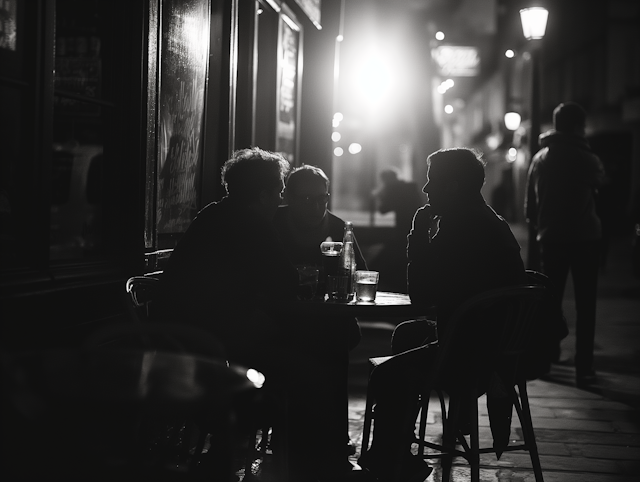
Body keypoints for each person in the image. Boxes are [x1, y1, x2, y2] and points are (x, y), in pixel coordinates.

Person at [152, 148, 356, 481]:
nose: (280, 198)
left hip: (183, 336)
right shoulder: (253, 224)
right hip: (215, 343)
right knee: (309, 364)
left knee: (301, 350)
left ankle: (254, 446)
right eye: (278, 190)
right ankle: (304, 457)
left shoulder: (213, 213)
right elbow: (285, 282)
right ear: (263, 194)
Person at [358, 148, 527, 482]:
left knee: (385, 375)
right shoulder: (485, 220)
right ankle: (398, 447)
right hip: (493, 345)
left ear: (452, 186)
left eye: (431, 180)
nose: (425, 189)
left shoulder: (463, 230)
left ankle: (390, 462)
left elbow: (422, 296)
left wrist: (419, 233)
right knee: (407, 334)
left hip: (473, 354)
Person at [525, 101, 605, 387]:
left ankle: (547, 358)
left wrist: (543, 227)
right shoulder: (588, 159)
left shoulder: (540, 159)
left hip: (552, 238)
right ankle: (584, 366)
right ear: (576, 127)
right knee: (586, 304)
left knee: (550, 301)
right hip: (586, 238)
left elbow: (530, 209)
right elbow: (602, 193)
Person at [372, 168, 424, 292]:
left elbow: (383, 209)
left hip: (402, 231)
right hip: (416, 227)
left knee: (382, 264)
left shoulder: (394, 189)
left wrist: (379, 195)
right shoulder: (410, 187)